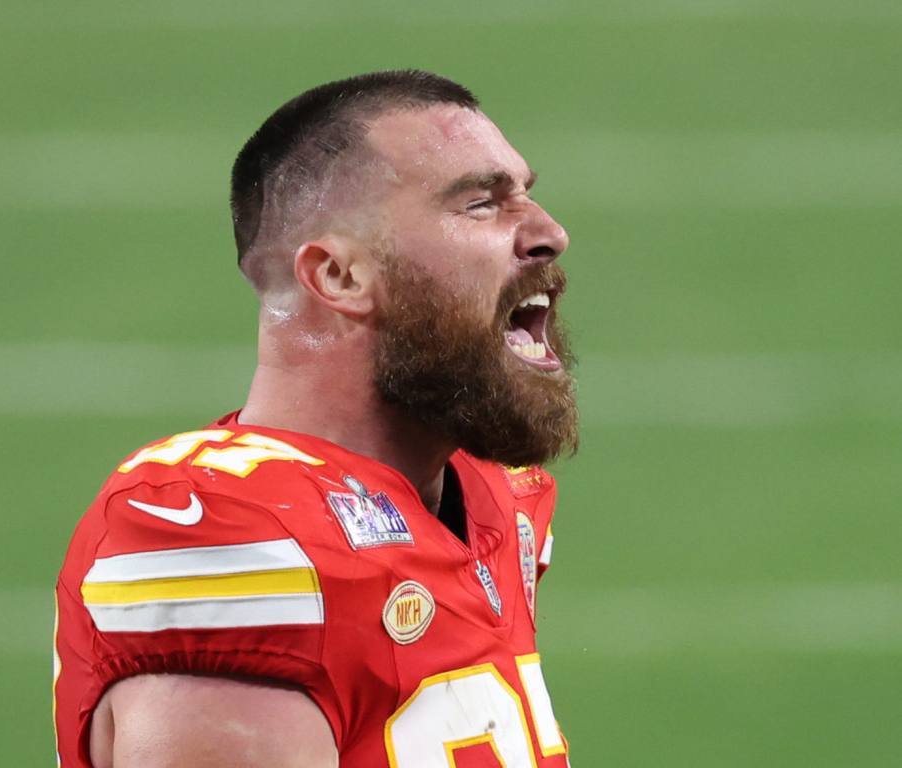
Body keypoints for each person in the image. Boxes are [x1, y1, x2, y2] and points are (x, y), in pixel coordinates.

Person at [54, 70, 579, 767]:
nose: (548, 233)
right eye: (481, 204)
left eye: (526, 194)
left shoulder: (493, 496)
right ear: (337, 277)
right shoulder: (231, 533)